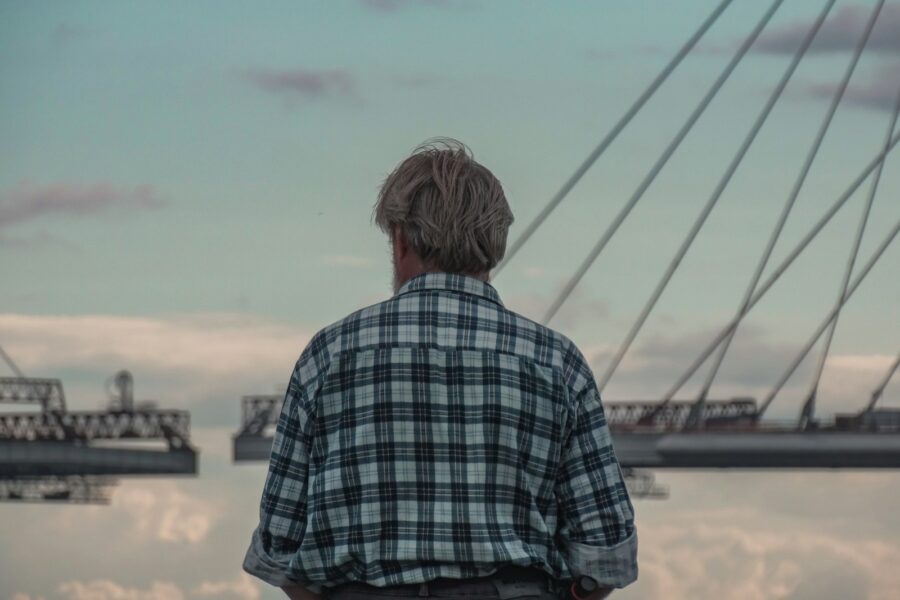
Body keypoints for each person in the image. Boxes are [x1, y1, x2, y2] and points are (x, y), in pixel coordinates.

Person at [243, 139, 638, 600]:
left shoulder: (329, 356)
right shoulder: (556, 363)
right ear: (496, 245)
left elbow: (279, 545)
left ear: (401, 239)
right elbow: (607, 552)